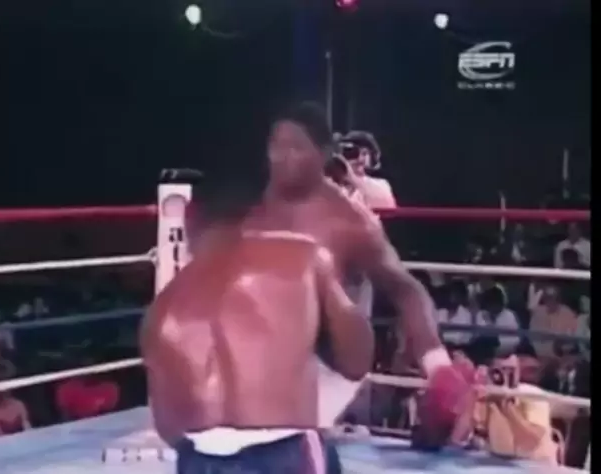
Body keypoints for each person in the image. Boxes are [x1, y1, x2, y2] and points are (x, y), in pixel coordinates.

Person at [189, 102, 471, 446]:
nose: (284, 157)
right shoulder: (249, 205)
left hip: (322, 360)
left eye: (297, 147)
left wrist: (438, 365)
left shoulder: (350, 221)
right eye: (277, 146)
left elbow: (404, 288)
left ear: (322, 155)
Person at [142, 207, 374, 473]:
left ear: (190, 224)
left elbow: (168, 427)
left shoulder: (161, 309)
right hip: (285, 452)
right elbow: (358, 361)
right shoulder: (301, 257)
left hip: (199, 460)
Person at [450, 353, 557, 465]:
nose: (505, 376)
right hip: (497, 464)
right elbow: (456, 440)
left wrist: (506, 406)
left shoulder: (533, 396)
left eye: (511, 371)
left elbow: (530, 444)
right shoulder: (484, 397)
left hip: (535, 464)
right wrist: (472, 398)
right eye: (500, 371)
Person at [330, 130, 397, 210]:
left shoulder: (381, 185)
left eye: (364, 153)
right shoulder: (333, 186)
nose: (360, 158)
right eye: (353, 153)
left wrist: (352, 178)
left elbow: (386, 207)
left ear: (373, 157)